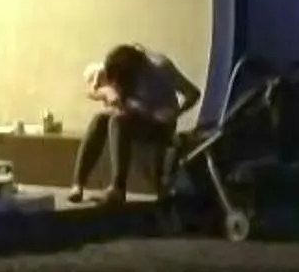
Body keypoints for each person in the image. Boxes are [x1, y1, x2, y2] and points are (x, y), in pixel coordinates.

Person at [70, 44, 202, 206]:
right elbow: (92, 90)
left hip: (158, 123)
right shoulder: (116, 63)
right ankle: (78, 184)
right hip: (133, 116)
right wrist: (108, 92)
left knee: (117, 121)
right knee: (100, 119)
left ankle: (118, 188)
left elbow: (193, 93)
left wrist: (175, 113)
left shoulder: (160, 68)